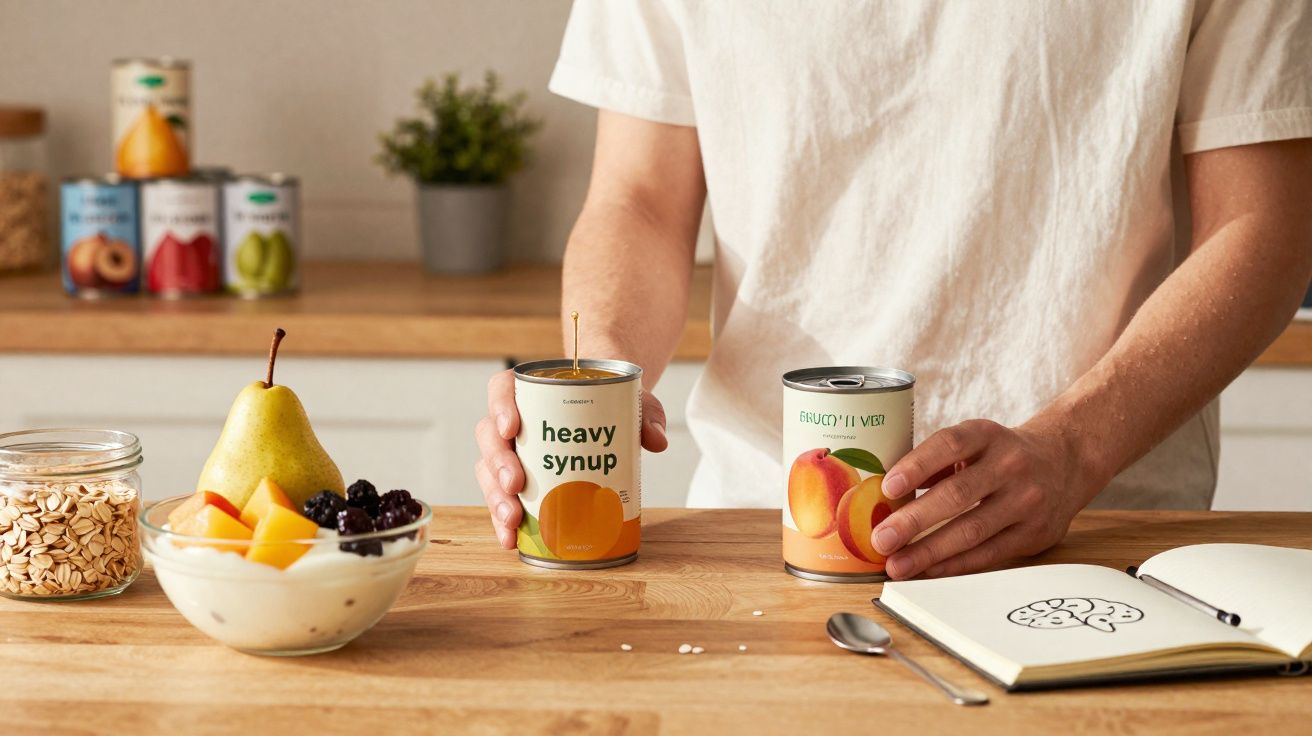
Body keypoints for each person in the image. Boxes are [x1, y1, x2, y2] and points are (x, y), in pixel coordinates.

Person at [475, 1, 1312, 580]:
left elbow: (1267, 230)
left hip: (1096, 525)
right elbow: (642, 199)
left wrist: (1072, 451)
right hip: (765, 527)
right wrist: (595, 388)